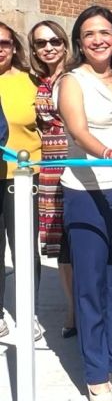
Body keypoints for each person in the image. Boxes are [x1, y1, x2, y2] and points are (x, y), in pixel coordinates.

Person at [56, 6, 112, 401]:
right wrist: (109, 153)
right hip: (85, 193)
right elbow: (78, 130)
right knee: (91, 284)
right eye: (89, 33)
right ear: (79, 42)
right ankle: (95, 373)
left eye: (105, 32)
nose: (98, 39)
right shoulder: (72, 81)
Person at [30, 20, 75, 338]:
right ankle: (72, 308)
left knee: (85, 239)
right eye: (41, 43)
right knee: (62, 246)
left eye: (55, 41)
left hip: (78, 162)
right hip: (49, 170)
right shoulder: (36, 81)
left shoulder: (79, 75)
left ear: (65, 43)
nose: (48, 47)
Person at [0, 20, 41, 341]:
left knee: (25, 247)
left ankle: (29, 312)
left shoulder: (30, 81)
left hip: (24, 178)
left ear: (14, 47)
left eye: (4, 43)